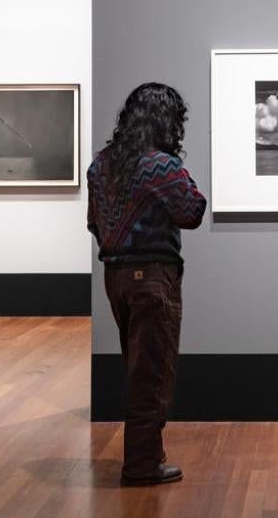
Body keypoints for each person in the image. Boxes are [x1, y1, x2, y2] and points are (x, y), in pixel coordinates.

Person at [87, 82, 207, 486]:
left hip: (116, 279)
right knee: (152, 374)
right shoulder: (162, 165)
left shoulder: (102, 163)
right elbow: (192, 211)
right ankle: (141, 466)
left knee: (137, 367)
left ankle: (148, 454)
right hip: (154, 279)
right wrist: (178, 167)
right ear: (165, 121)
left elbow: (94, 223)